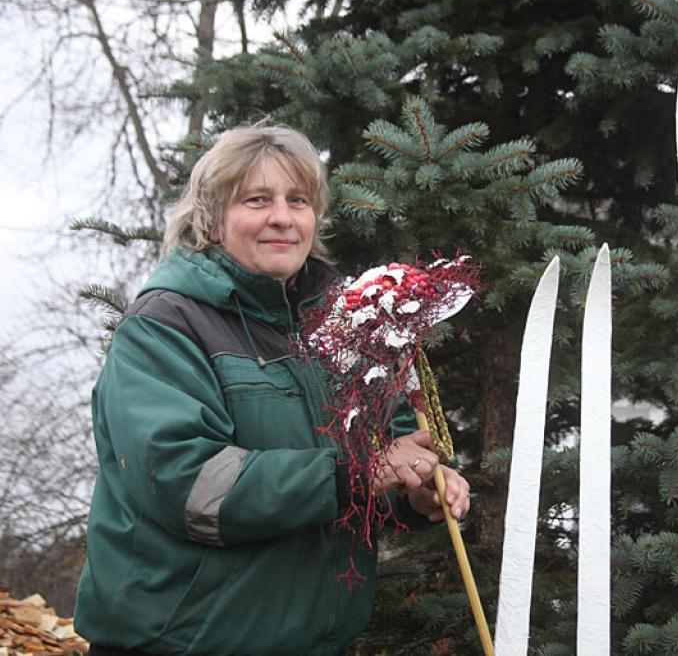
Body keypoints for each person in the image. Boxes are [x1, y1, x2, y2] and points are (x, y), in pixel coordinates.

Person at [74, 124, 471, 655]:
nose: (282, 217)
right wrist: (362, 475)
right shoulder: (163, 328)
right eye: (257, 200)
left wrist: (416, 490)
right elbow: (190, 486)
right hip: (181, 644)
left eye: (298, 200)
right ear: (212, 219)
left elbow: (394, 447)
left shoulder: (348, 326)